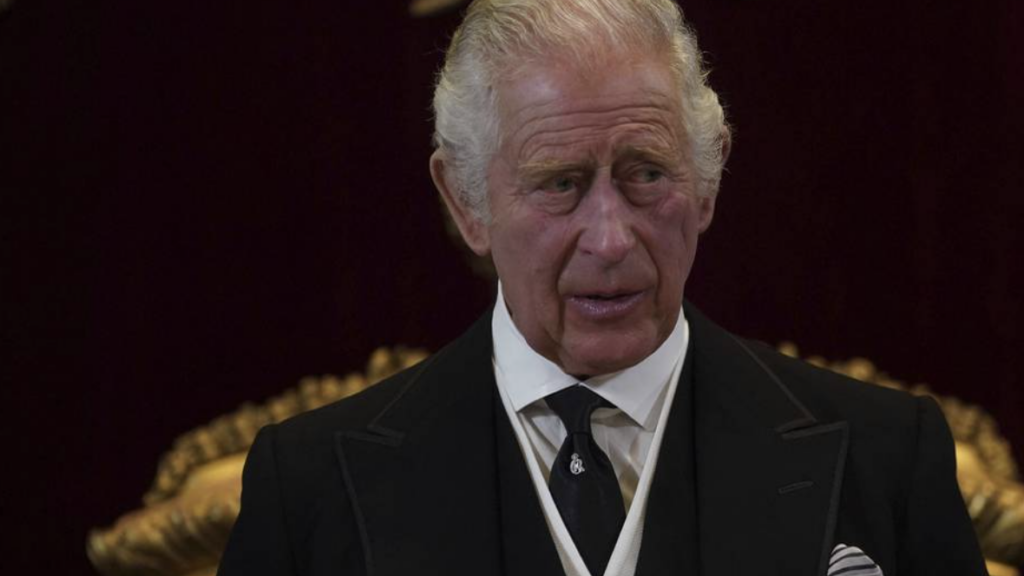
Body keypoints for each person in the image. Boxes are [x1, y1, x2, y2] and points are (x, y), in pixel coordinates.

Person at [218, 1, 988, 575]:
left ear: (709, 179)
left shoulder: (887, 460)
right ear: (465, 202)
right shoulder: (309, 489)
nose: (612, 238)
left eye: (646, 173)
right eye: (561, 183)